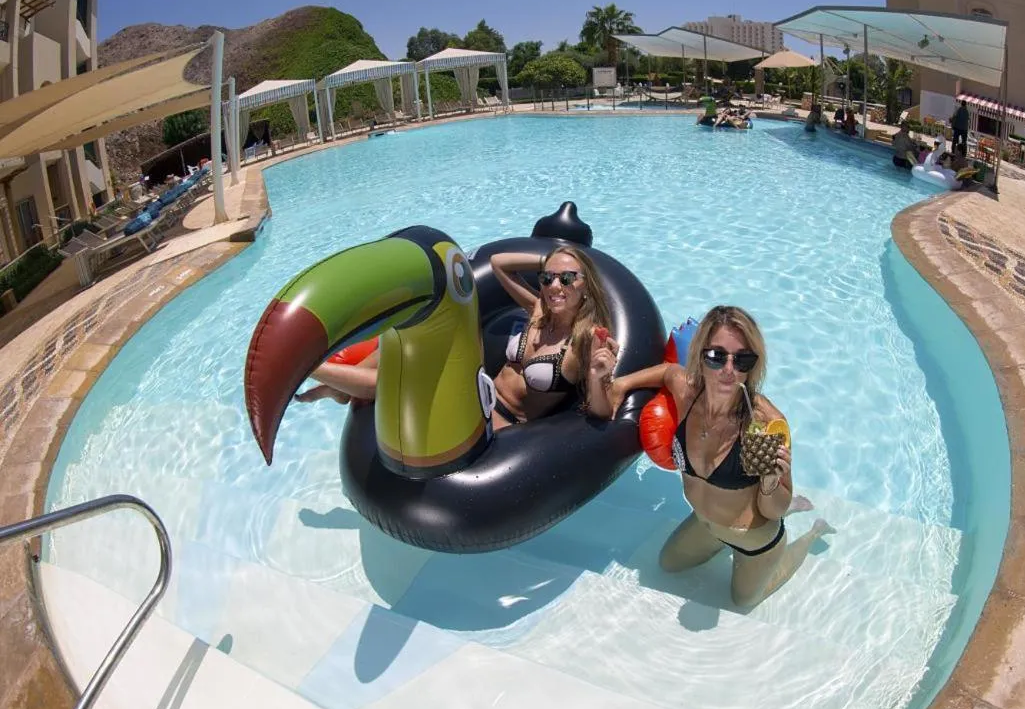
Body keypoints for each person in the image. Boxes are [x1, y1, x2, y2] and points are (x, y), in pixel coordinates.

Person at [603, 306, 834, 608]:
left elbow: (771, 509)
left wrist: (770, 483)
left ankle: (813, 534)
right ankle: (786, 510)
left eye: (742, 359)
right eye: (716, 356)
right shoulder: (686, 392)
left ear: (754, 365)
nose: (728, 369)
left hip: (754, 538)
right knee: (667, 565)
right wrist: (621, 384)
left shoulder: (765, 423)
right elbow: (668, 371)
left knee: (743, 601)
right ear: (700, 354)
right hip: (705, 523)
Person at [296, 246, 620, 431]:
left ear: (586, 286)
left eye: (567, 278)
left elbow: (602, 412)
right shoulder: (538, 310)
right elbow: (498, 264)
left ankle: (309, 366)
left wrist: (598, 375)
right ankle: (338, 387)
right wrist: (548, 258)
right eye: (548, 278)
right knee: (417, 339)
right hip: (478, 393)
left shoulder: (587, 339)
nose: (554, 286)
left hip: (503, 423)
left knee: (410, 382)